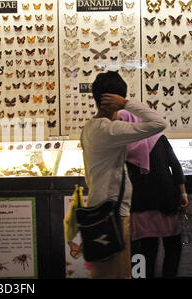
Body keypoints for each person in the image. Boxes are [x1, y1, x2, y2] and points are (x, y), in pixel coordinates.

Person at [80, 71, 167, 279]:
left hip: (98, 207)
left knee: (104, 272)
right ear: (113, 101)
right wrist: (127, 103)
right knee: (117, 273)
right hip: (113, 213)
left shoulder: (89, 127)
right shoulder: (110, 130)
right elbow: (158, 124)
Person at [117, 109, 189, 278]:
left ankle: (140, 276)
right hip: (166, 202)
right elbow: (175, 166)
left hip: (140, 205)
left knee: (145, 250)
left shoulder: (123, 144)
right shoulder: (158, 138)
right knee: (173, 248)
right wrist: (183, 194)